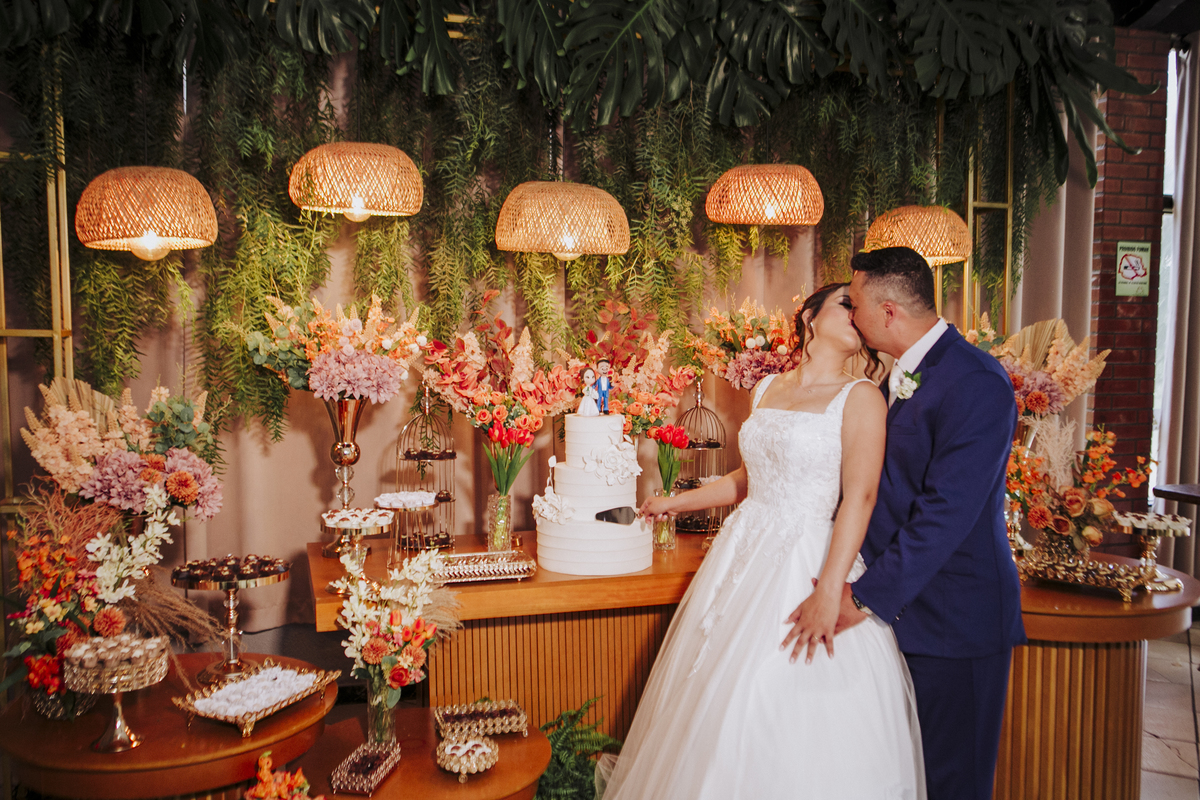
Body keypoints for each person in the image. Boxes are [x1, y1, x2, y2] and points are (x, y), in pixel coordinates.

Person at [602, 284, 925, 800]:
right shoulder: (768, 388)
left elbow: (861, 498)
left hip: (810, 555)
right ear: (810, 317)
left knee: (777, 694)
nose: (856, 313)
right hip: (745, 548)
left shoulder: (862, 397)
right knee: (717, 697)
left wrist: (830, 589)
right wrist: (674, 502)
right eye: (845, 303)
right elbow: (748, 478)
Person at [840, 246, 1024, 800]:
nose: (851, 315)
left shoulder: (975, 381)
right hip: (901, 616)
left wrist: (863, 596)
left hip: (954, 621)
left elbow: (945, 515)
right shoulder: (897, 375)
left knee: (951, 784)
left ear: (888, 311)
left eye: (855, 304)